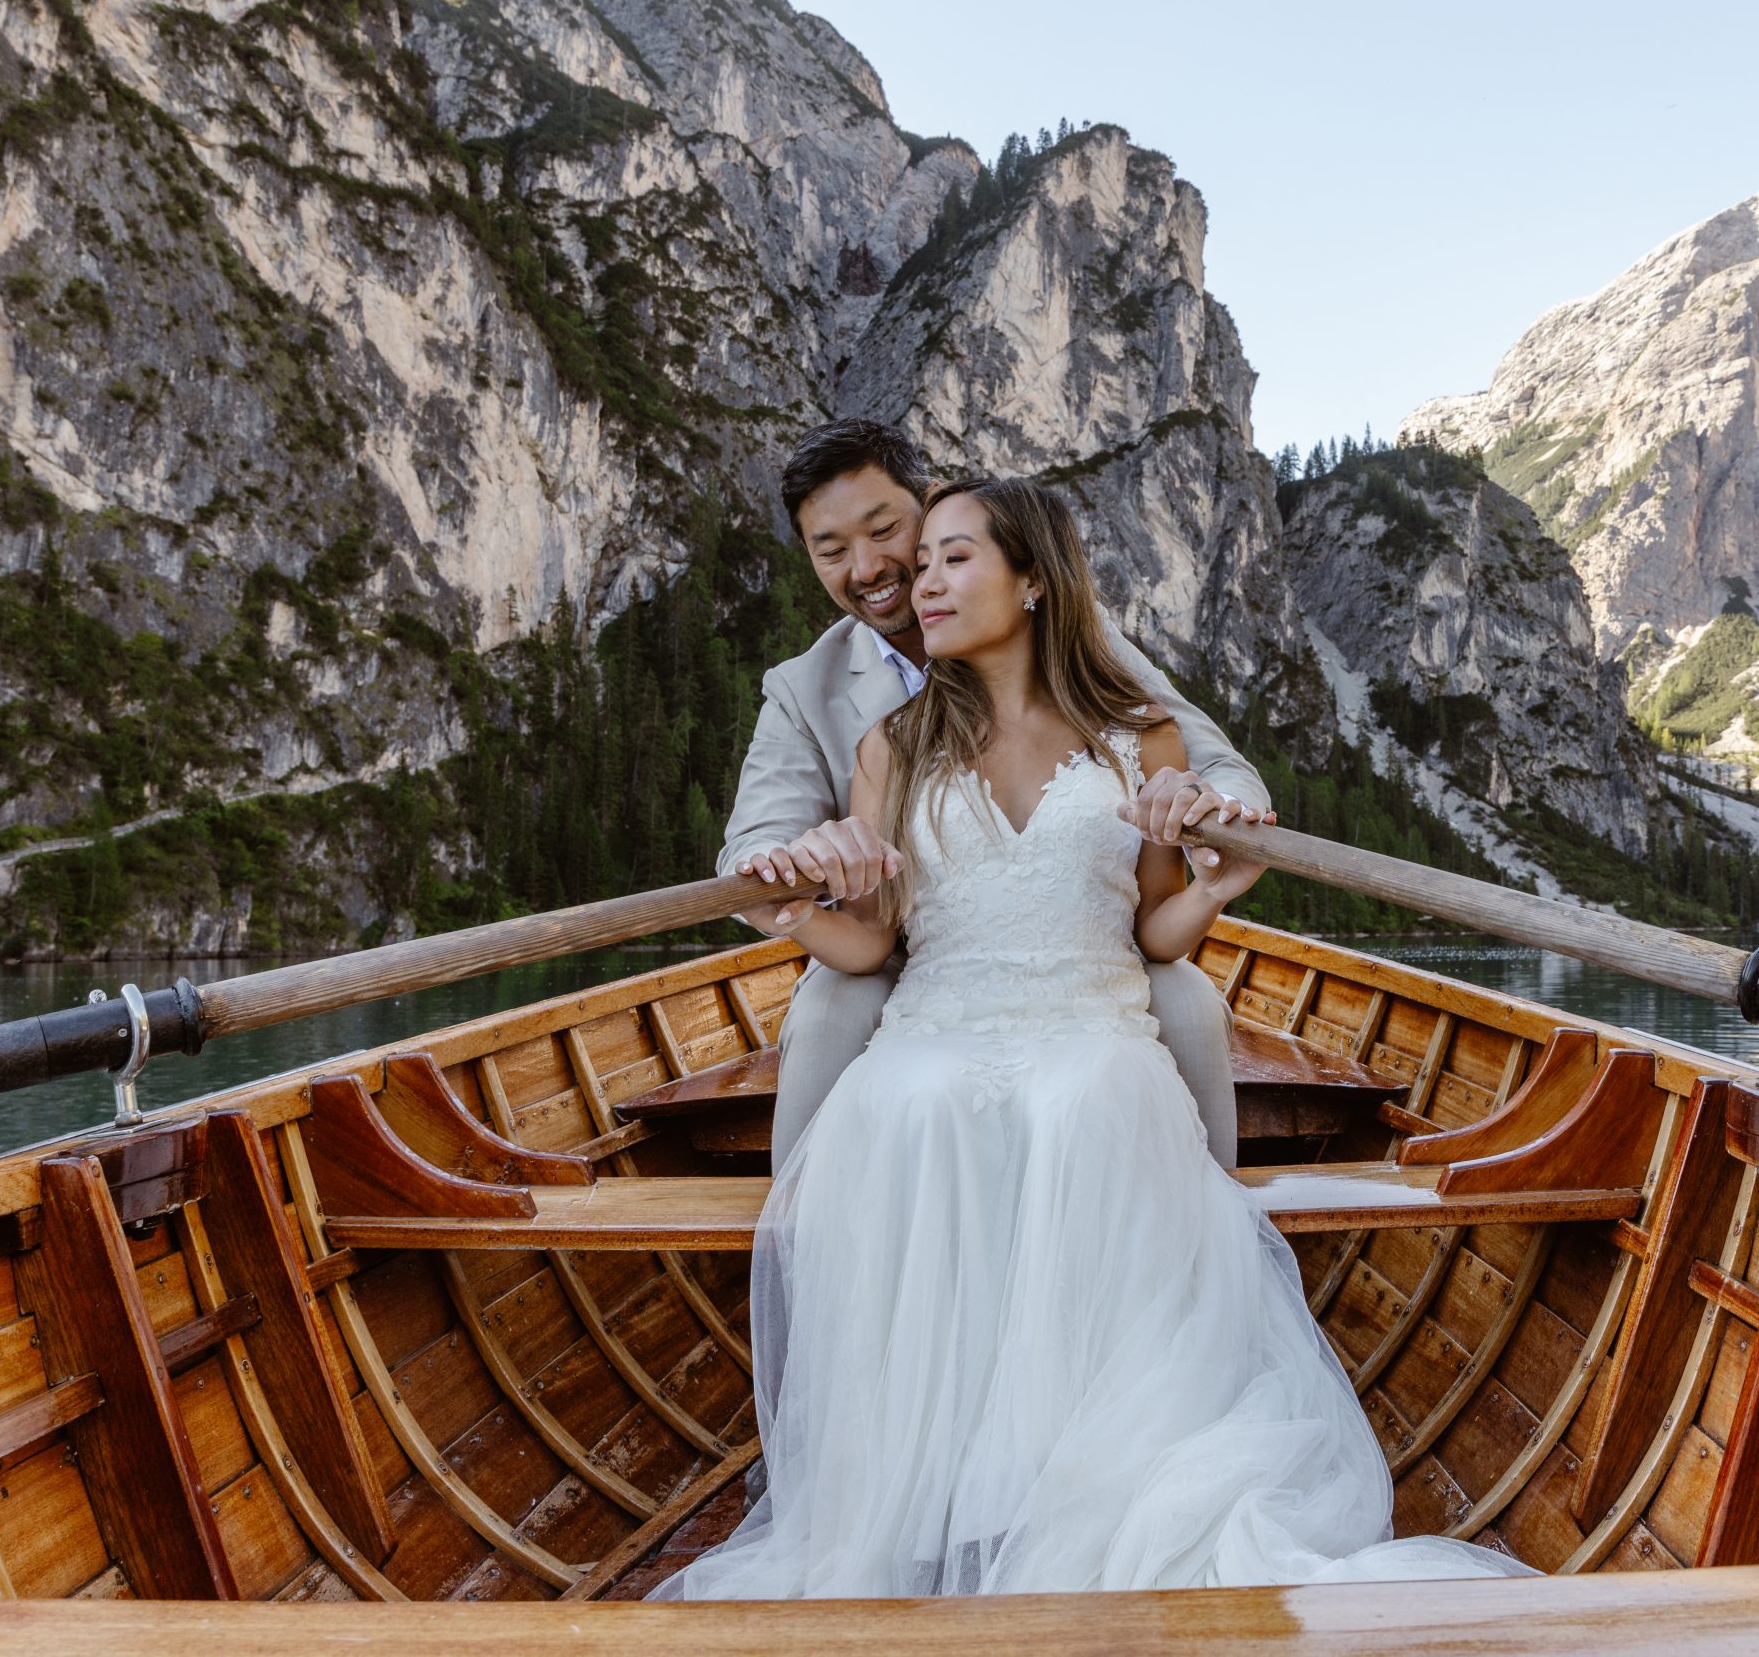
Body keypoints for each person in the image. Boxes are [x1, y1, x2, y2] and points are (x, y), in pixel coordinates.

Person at [651, 476, 1532, 1598]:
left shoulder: (1142, 734)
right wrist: (785, 909)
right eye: (919, 562)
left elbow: (1156, 927)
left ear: (1032, 579)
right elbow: (868, 941)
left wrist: (1219, 880)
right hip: (938, 1012)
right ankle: (931, 1480)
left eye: (951, 558)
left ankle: (1065, 1472)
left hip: (1091, 1006)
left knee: (1088, 1097)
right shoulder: (892, 745)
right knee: (909, 1101)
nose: (917, 581)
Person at [723, 419, 1270, 1168]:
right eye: (832, 550)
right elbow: (758, 836)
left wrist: (1216, 817)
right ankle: (806, 1217)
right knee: (825, 1012)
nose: (869, 567)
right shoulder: (809, 694)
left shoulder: (1081, 644)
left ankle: (1204, 1197)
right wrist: (782, 870)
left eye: (885, 532)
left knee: (1188, 1001)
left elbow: (1205, 757)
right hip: (901, 953)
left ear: (930, 504)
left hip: (1087, 960)